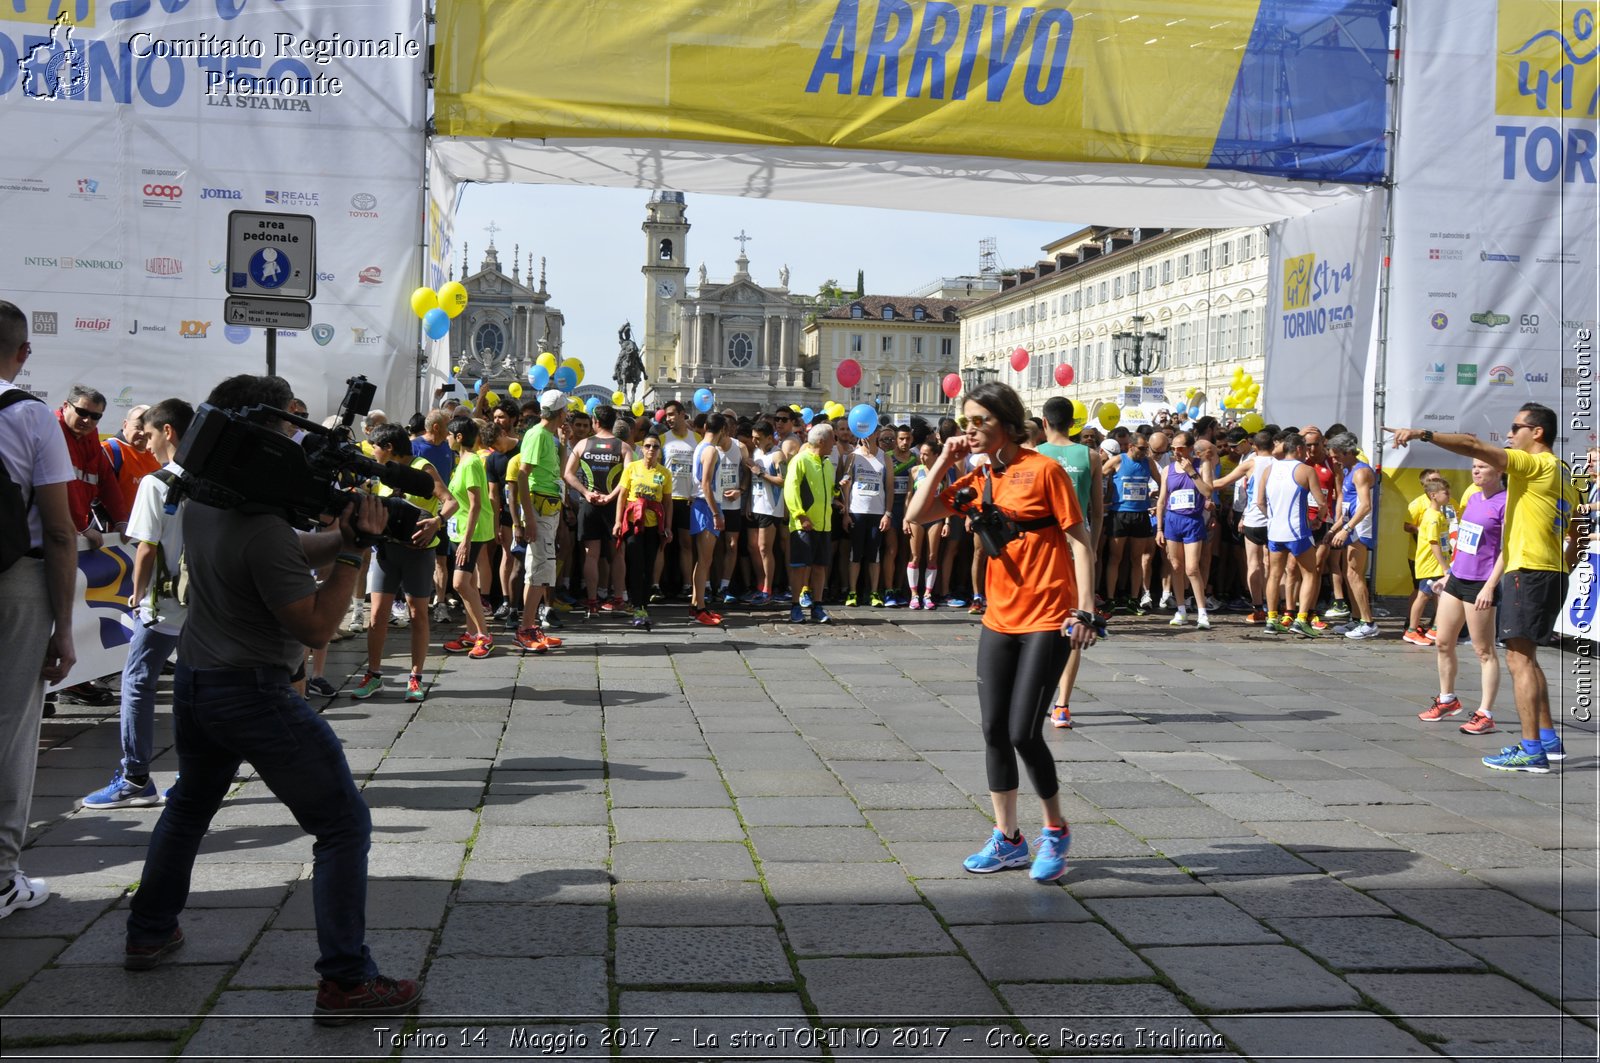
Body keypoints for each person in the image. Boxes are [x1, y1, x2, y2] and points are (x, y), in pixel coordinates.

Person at [124, 373, 420, 1023]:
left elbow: (282, 551)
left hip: (199, 683)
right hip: (251, 690)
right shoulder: (257, 521)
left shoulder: (206, 498)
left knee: (189, 805)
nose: (293, 440)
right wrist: (354, 555)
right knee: (343, 823)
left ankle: (148, 929)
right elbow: (314, 626)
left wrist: (342, 535)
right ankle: (346, 980)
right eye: (285, 426)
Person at [906, 382, 1096, 883]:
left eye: (979, 422)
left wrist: (1085, 610)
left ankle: (1054, 831)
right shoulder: (978, 476)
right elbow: (917, 515)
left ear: (1007, 424)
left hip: (1048, 615)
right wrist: (944, 463)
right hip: (999, 616)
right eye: (966, 422)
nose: (969, 430)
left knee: (1023, 732)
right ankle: (1008, 839)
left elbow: (1080, 541)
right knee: (993, 731)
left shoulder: (1045, 470)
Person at [1388, 406, 1577, 772]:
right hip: (1551, 572)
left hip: (1531, 572)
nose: (1509, 434)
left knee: (1517, 660)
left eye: (1514, 427)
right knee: (1529, 658)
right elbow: (1578, 523)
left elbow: (1473, 445)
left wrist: (1423, 434)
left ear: (1536, 433)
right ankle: (1548, 739)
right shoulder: (1566, 471)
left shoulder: (1536, 464)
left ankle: (1532, 751)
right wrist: (1567, 559)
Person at [0, 302, 77, 920]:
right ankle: (1, 875)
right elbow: (58, 531)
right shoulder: (30, 417)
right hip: (13, 586)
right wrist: (63, 627)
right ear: (21, 353)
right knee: (11, 727)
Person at [82, 399, 195, 809]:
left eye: (148, 435)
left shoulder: (156, 482)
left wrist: (137, 591)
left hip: (163, 601)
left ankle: (135, 778)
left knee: (137, 684)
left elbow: (145, 548)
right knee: (195, 688)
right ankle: (193, 775)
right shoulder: (209, 479)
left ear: (168, 432)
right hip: (204, 601)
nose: (144, 445)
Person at [348, 424, 457, 703]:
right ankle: (373, 675)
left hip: (418, 552)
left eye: (374, 446)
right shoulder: (381, 473)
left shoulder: (422, 468)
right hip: (387, 551)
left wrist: (437, 522)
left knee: (417, 613)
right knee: (377, 615)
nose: (371, 451)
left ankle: (416, 677)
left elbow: (450, 502)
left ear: (389, 449)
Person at [1416, 458, 1506, 735]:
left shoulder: (1507, 503)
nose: (1476, 470)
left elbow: (1508, 549)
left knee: (1484, 651)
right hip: (1457, 579)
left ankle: (1485, 714)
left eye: (1482, 466)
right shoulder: (1473, 497)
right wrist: (1449, 572)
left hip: (1481, 583)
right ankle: (1447, 699)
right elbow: (1465, 540)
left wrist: (1491, 586)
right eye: (1474, 466)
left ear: (1499, 470)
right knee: (1443, 642)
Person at [1036, 397, 1102, 728]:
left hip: (1044, 547)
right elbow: (1098, 511)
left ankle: (1037, 695)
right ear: (1072, 423)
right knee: (1075, 621)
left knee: (1040, 621)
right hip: (1080, 544)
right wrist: (1093, 547)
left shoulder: (1034, 455)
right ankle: (1062, 704)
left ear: (1045, 422)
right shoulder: (1090, 455)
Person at [511, 391, 567, 654]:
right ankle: (525, 629)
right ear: (561, 413)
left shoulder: (549, 436)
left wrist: (564, 444)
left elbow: (555, 472)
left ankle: (530, 626)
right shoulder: (537, 435)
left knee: (543, 570)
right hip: (539, 509)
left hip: (548, 508)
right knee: (538, 570)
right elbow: (522, 476)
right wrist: (528, 519)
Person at [564, 404, 631, 615]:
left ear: (596, 422)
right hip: (614, 506)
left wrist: (585, 493)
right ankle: (618, 599)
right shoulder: (623, 447)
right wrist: (611, 496)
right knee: (618, 554)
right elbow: (629, 479)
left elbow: (567, 474)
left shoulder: (583, 445)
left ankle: (592, 602)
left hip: (589, 504)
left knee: (591, 555)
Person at [1259, 431, 1326, 637]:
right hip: (1297, 531)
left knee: (1274, 574)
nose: (1307, 452)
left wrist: (1272, 518)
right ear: (1298, 449)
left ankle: (1271, 619)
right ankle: (1301, 619)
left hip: (1275, 532)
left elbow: (1260, 502)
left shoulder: (1269, 469)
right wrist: (1317, 520)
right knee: (1310, 574)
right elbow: (1321, 502)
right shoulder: (1306, 470)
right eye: (1305, 448)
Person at [441, 417, 495, 659]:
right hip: (460, 529)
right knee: (469, 584)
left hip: (470, 532)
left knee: (460, 583)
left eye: (449, 434)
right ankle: (471, 634)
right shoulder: (461, 460)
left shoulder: (471, 462)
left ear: (459, 437)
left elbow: (475, 505)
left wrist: (466, 539)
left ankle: (484, 636)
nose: (447, 438)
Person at [1155, 430, 1214, 629]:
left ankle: (1202, 612)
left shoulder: (1201, 466)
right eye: (1173, 449)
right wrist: (1159, 529)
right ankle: (1180, 610)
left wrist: (1192, 472)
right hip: (1172, 520)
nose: (1177, 452)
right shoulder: (1167, 470)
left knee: (1192, 568)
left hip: (1192, 520)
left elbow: (1207, 492)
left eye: (1180, 448)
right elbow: (1162, 500)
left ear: (1190, 449)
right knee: (1176, 567)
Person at [614, 434, 673, 629]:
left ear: (659, 450)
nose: (651, 450)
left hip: (653, 525)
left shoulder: (664, 473)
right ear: (642, 449)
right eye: (647, 446)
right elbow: (622, 496)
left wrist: (668, 527)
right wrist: (617, 522)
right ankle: (634, 602)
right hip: (633, 523)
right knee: (634, 564)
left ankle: (643, 606)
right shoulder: (632, 468)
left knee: (648, 566)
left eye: (655, 447)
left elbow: (667, 502)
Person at [1326, 433, 1380, 640]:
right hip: (1352, 526)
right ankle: (1357, 619)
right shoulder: (1349, 471)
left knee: (1355, 574)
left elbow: (1365, 506)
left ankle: (1368, 622)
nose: (1334, 460)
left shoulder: (1361, 472)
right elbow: (1349, 508)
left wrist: (1346, 529)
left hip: (1360, 529)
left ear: (1348, 452)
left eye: (1337, 455)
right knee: (1350, 574)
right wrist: (1333, 530)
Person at [784, 422, 838, 624]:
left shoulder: (826, 463)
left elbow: (827, 490)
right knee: (800, 567)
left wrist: (838, 491)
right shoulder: (800, 460)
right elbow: (791, 489)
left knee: (819, 567)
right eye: (833, 438)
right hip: (803, 525)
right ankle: (795, 606)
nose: (835, 443)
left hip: (824, 525)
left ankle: (817, 606)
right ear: (822, 441)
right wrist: (800, 515)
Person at [687, 414, 733, 626]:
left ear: (705, 427)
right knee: (705, 560)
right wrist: (716, 513)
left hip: (701, 504)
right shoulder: (710, 450)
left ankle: (696, 604)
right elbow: (705, 483)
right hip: (706, 506)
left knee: (702, 560)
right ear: (723, 429)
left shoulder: (700, 446)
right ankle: (700, 608)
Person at [1103, 433, 1156, 612]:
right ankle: (1110, 599)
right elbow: (1098, 475)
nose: (1145, 452)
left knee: (1136, 559)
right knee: (1115, 557)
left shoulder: (1148, 462)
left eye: (1146, 448)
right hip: (1120, 514)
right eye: (1141, 448)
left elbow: (1163, 481)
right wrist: (1100, 499)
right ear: (1130, 447)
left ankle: (1134, 599)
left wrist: (1159, 498)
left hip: (1140, 514)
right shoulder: (1118, 460)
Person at [413, 410, 456, 624]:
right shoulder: (415, 446)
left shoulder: (450, 447)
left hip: (442, 510)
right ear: (437, 427)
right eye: (448, 424)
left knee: (442, 559)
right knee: (416, 556)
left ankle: (440, 604)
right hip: (419, 511)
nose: (451, 429)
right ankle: (410, 602)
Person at [841, 425, 890, 607]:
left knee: (874, 555)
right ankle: (852, 592)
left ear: (877, 434)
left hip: (877, 513)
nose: (868, 435)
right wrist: (846, 513)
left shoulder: (884, 457)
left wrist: (888, 513)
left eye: (872, 432)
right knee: (855, 553)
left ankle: (874, 592)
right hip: (856, 511)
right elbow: (845, 486)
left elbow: (889, 488)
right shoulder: (853, 457)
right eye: (865, 432)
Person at [655, 400, 698, 600]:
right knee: (662, 543)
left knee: (686, 543)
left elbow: (701, 469)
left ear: (682, 414)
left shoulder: (696, 438)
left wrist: (696, 493)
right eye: (667, 415)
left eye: (672, 414)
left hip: (688, 500)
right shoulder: (663, 439)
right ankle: (656, 585)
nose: (669, 419)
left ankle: (688, 585)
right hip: (668, 498)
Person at [1405, 480, 1453, 646]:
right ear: (1434, 495)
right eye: (1445, 493)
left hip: (1437, 564)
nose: (1449, 496)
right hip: (1431, 565)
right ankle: (1411, 630)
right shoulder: (1432, 517)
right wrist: (1445, 566)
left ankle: (1436, 628)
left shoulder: (1439, 514)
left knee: (1441, 595)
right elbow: (1434, 543)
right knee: (1423, 595)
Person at [746, 419, 786, 605]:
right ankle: (760, 586)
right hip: (756, 505)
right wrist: (748, 503)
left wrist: (761, 473)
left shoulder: (778, 455)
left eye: (758, 438)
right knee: (755, 548)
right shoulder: (756, 451)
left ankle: (768, 590)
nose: (754, 441)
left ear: (769, 437)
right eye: (753, 438)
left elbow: (782, 480)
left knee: (764, 549)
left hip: (771, 508)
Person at [903, 440, 946, 611]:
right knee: (915, 556)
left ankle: (928, 594)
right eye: (921, 453)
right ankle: (914, 595)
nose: (922, 457)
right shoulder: (914, 471)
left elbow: (946, 498)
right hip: (917, 518)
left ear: (936, 455)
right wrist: (906, 518)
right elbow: (908, 496)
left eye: (926, 453)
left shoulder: (942, 473)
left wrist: (947, 522)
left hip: (936, 517)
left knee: (932, 556)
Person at [103, 404, 159, 502]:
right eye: (138, 427)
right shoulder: (108, 450)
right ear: (125, 424)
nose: (142, 433)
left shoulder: (157, 454)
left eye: (147, 429)